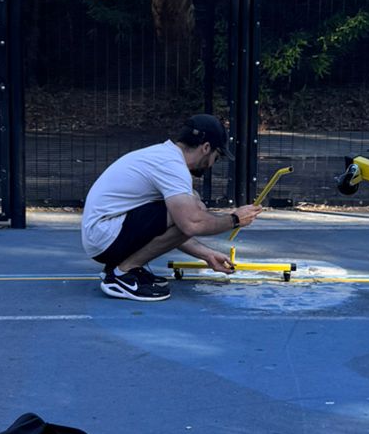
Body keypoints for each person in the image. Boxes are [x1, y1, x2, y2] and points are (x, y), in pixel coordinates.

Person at [80, 115, 261, 302]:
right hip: (104, 235)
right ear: (206, 148)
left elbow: (176, 227)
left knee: (189, 205)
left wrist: (206, 255)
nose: (213, 163)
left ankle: (123, 267)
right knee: (194, 207)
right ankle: (122, 274)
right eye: (217, 156)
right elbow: (191, 224)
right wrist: (235, 219)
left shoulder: (165, 156)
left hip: (103, 235)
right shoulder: (172, 166)